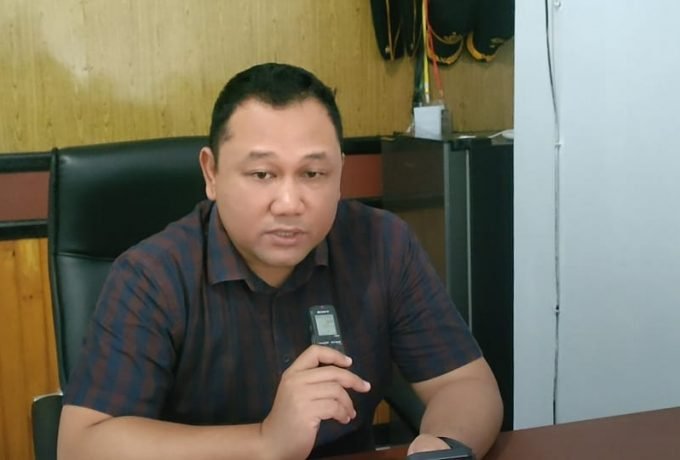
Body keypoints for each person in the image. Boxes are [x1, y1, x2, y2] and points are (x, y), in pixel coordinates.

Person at [58, 63, 503, 460]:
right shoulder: (153, 275)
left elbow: (464, 384)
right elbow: (82, 446)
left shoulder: (382, 244)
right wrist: (265, 442)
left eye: (313, 173)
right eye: (262, 174)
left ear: (340, 172)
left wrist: (444, 446)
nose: (289, 203)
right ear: (211, 173)